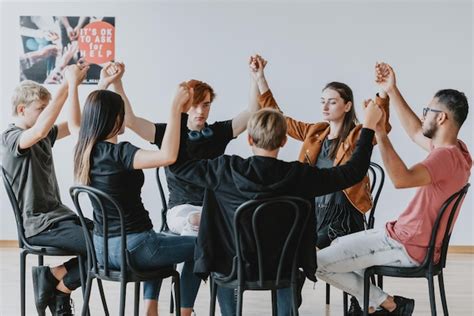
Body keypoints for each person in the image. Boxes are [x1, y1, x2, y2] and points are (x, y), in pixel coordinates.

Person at [171, 101, 383, 315]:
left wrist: (179, 112)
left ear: (249, 139)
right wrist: (368, 127)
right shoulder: (301, 176)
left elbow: (177, 165)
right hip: (282, 269)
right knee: (288, 263)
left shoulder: (224, 170)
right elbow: (353, 172)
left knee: (223, 261)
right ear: (283, 140)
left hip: (234, 267)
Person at [316, 63, 471, 315]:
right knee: (340, 243)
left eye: (427, 111)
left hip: (407, 246)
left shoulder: (442, 159)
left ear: (441, 117)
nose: (423, 116)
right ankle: (371, 304)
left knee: (316, 263)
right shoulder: (458, 152)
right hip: (407, 238)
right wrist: (392, 89)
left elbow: (401, 179)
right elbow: (413, 132)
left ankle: (388, 304)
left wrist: (378, 130)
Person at [250, 55, 391, 312]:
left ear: (347, 106)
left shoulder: (359, 134)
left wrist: (382, 92)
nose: (325, 106)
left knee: (302, 253)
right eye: (323, 101)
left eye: (333, 101)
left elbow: (383, 124)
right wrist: (260, 79)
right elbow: (279, 119)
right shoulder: (315, 131)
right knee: (288, 250)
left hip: (344, 218)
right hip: (312, 215)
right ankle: (294, 307)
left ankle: (369, 301)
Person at [72, 62, 201, 316]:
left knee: (164, 239)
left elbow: (81, 118)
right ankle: (185, 313)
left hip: (101, 250)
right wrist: (176, 109)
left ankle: (149, 310)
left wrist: (107, 84)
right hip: (135, 249)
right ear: (114, 118)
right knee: (204, 243)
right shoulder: (120, 153)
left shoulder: (84, 149)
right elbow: (167, 155)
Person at [123, 57, 261, 240]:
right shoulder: (168, 132)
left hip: (214, 205)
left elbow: (252, 113)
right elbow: (131, 121)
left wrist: (255, 77)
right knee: (199, 222)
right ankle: (198, 267)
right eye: (195, 105)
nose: (201, 111)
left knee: (247, 217)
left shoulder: (218, 132)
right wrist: (117, 83)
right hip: (182, 210)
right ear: (185, 106)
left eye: (206, 105)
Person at [1, 64, 89, 316]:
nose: (44, 115)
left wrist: (93, 86)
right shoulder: (11, 137)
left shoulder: (40, 135)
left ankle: (56, 281)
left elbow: (75, 124)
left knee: (110, 238)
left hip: (58, 219)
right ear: (21, 109)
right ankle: (59, 289)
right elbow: (40, 130)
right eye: (40, 109)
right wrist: (66, 84)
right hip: (39, 225)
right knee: (101, 246)